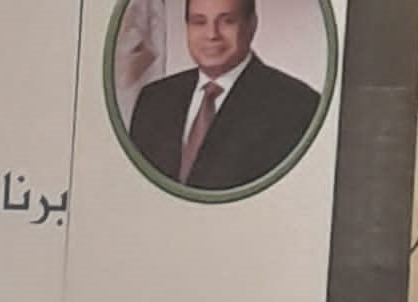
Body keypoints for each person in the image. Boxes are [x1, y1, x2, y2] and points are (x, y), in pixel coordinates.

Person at [128, 0, 321, 192]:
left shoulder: (297, 106)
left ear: (252, 25)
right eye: (199, 22)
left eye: (227, 21)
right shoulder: (153, 99)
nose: (212, 34)